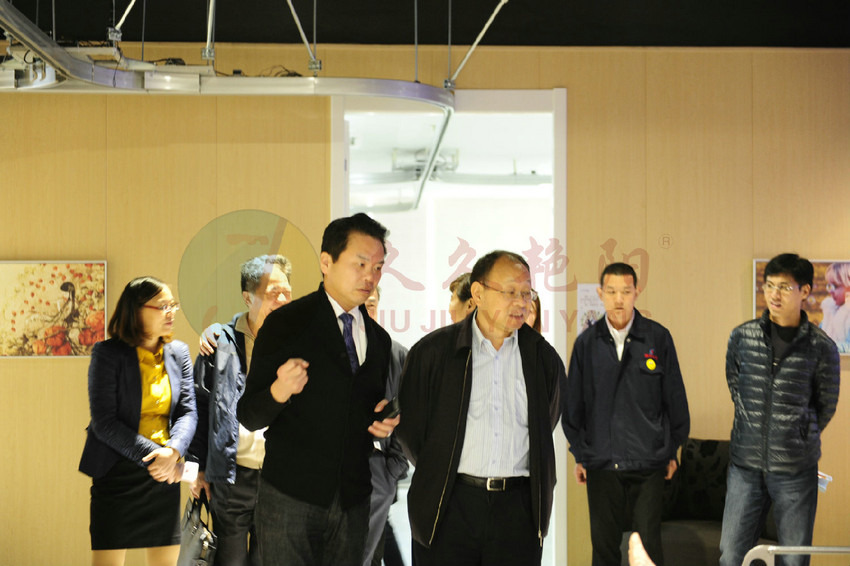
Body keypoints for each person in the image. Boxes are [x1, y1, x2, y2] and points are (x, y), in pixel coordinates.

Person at [236, 213, 400, 566]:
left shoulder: (379, 340)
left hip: (354, 499)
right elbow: (248, 415)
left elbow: (359, 409)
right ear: (326, 262)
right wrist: (279, 390)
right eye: (360, 264)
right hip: (290, 497)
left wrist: (382, 422)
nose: (370, 276)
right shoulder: (286, 323)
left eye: (377, 267)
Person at [398, 250, 566, 566]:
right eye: (510, 292)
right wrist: (440, 467)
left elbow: (547, 421)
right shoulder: (434, 352)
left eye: (526, 293)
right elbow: (411, 430)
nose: (521, 302)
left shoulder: (543, 359)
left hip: (518, 509)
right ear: (478, 293)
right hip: (449, 504)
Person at [562, 262, 690, 566]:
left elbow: (675, 400)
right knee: (604, 548)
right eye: (611, 292)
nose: (618, 299)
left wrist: (672, 450)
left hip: (648, 463)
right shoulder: (586, 344)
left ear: (637, 292)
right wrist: (580, 454)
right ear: (600, 294)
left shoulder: (657, 338)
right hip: (602, 463)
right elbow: (573, 406)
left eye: (625, 291)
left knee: (647, 549)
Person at [720, 253, 840, 566]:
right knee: (731, 555)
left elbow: (826, 403)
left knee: (794, 559)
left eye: (784, 287)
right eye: (769, 285)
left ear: (805, 291)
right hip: (745, 465)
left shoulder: (821, 347)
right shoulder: (743, 336)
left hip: (795, 469)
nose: (774, 294)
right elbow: (736, 386)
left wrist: (798, 434)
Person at [78, 276, 197, 566]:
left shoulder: (178, 352)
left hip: (163, 475)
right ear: (136, 311)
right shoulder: (108, 353)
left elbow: (188, 412)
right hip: (117, 472)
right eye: (162, 306)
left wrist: (173, 451)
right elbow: (104, 422)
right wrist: (156, 456)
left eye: (173, 305)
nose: (171, 312)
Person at [187, 254, 293, 566]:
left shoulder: (299, 342)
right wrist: (197, 468)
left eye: (287, 292)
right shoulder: (219, 342)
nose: (282, 300)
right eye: (273, 293)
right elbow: (199, 405)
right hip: (231, 475)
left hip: (280, 476)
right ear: (248, 298)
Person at [362, 286, 410, 566]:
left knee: (371, 553)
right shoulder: (328, 353)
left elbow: (411, 417)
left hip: (378, 471)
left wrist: (391, 470)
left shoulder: (397, 355)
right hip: (331, 475)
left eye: (371, 305)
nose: (365, 312)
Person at [819, 261, 850, 352]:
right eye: (830, 285)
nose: (831, 291)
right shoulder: (830, 312)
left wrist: (824, 347)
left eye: (835, 286)